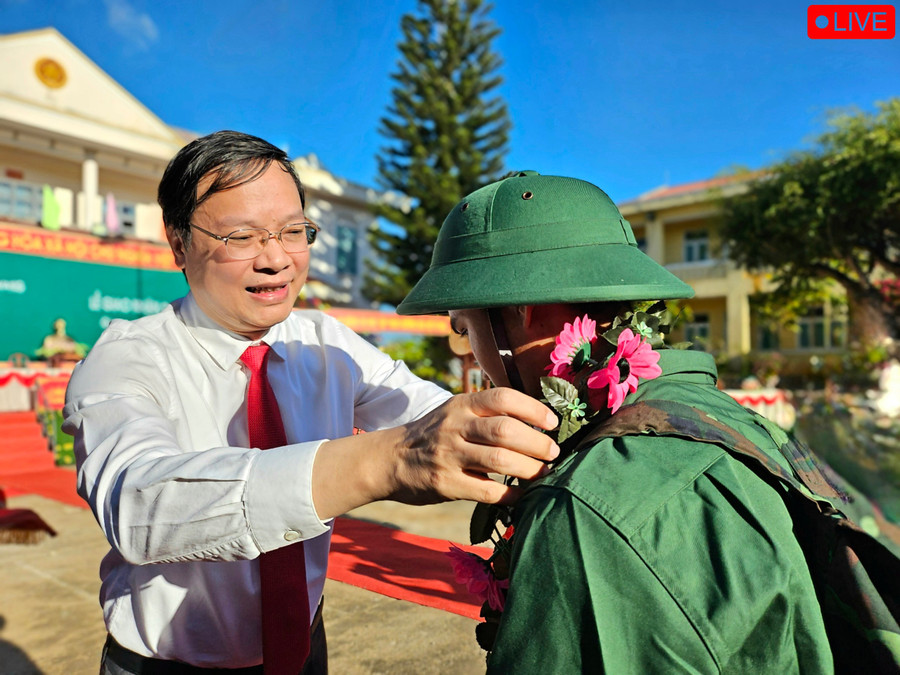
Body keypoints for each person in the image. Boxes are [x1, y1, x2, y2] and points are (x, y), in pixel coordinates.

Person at [63, 132, 559, 674]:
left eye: (293, 232)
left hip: (304, 650)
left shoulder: (327, 342)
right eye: (241, 236)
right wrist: (384, 462)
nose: (275, 259)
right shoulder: (127, 357)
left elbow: (428, 415)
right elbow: (138, 507)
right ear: (179, 242)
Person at [397, 171, 840, 672]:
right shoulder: (723, 416)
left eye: (464, 328)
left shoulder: (581, 510)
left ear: (526, 311)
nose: (473, 356)